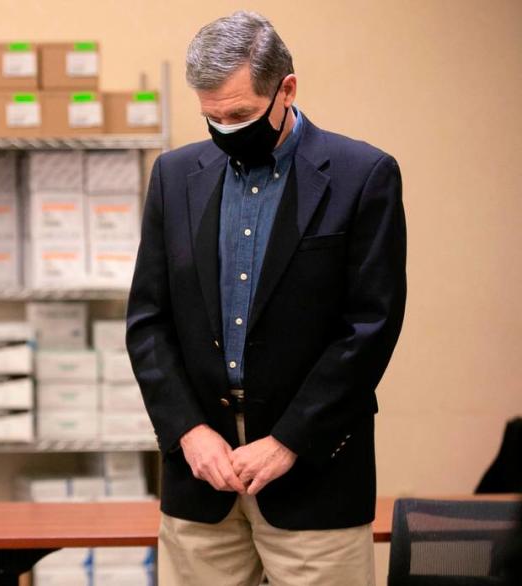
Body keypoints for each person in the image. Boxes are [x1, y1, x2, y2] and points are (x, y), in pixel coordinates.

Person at [126, 11, 406, 585]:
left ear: (287, 90)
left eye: (242, 115)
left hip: (315, 475)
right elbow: (148, 322)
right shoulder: (175, 176)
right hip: (201, 479)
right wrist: (187, 430)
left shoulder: (363, 175)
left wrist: (287, 442)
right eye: (212, 118)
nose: (227, 128)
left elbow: (369, 328)